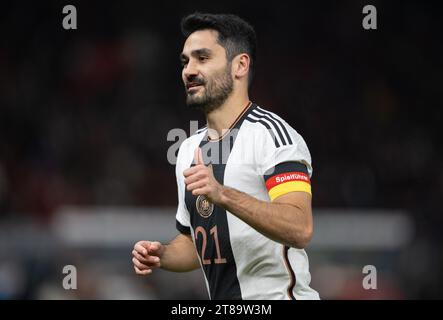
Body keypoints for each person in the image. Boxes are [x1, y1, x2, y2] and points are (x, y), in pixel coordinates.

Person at [132, 12, 319, 300]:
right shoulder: (187, 150)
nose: (188, 70)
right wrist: (163, 255)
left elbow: (300, 227)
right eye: (185, 61)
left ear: (240, 65)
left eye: (202, 58)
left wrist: (223, 194)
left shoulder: (272, 136)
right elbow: (196, 244)